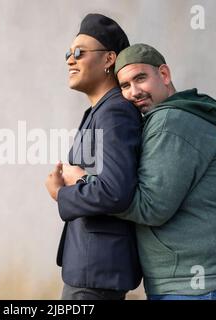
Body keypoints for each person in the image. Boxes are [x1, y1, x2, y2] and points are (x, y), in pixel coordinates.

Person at [62, 43, 216, 300]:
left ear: (164, 75)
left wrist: (83, 181)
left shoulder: (170, 123)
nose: (133, 92)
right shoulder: (174, 116)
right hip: (201, 281)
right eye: (124, 86)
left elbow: (151, 207)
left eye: (140, 78)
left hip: (201, 284)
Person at [44, 14, 142, 300]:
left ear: (109, 59)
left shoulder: (115, 113)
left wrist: (60, 194)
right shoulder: (100, 111)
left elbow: (115, 192)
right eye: (68, 53)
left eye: (79, 53)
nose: (70, 60)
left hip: (96, 273)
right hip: (91, 268)